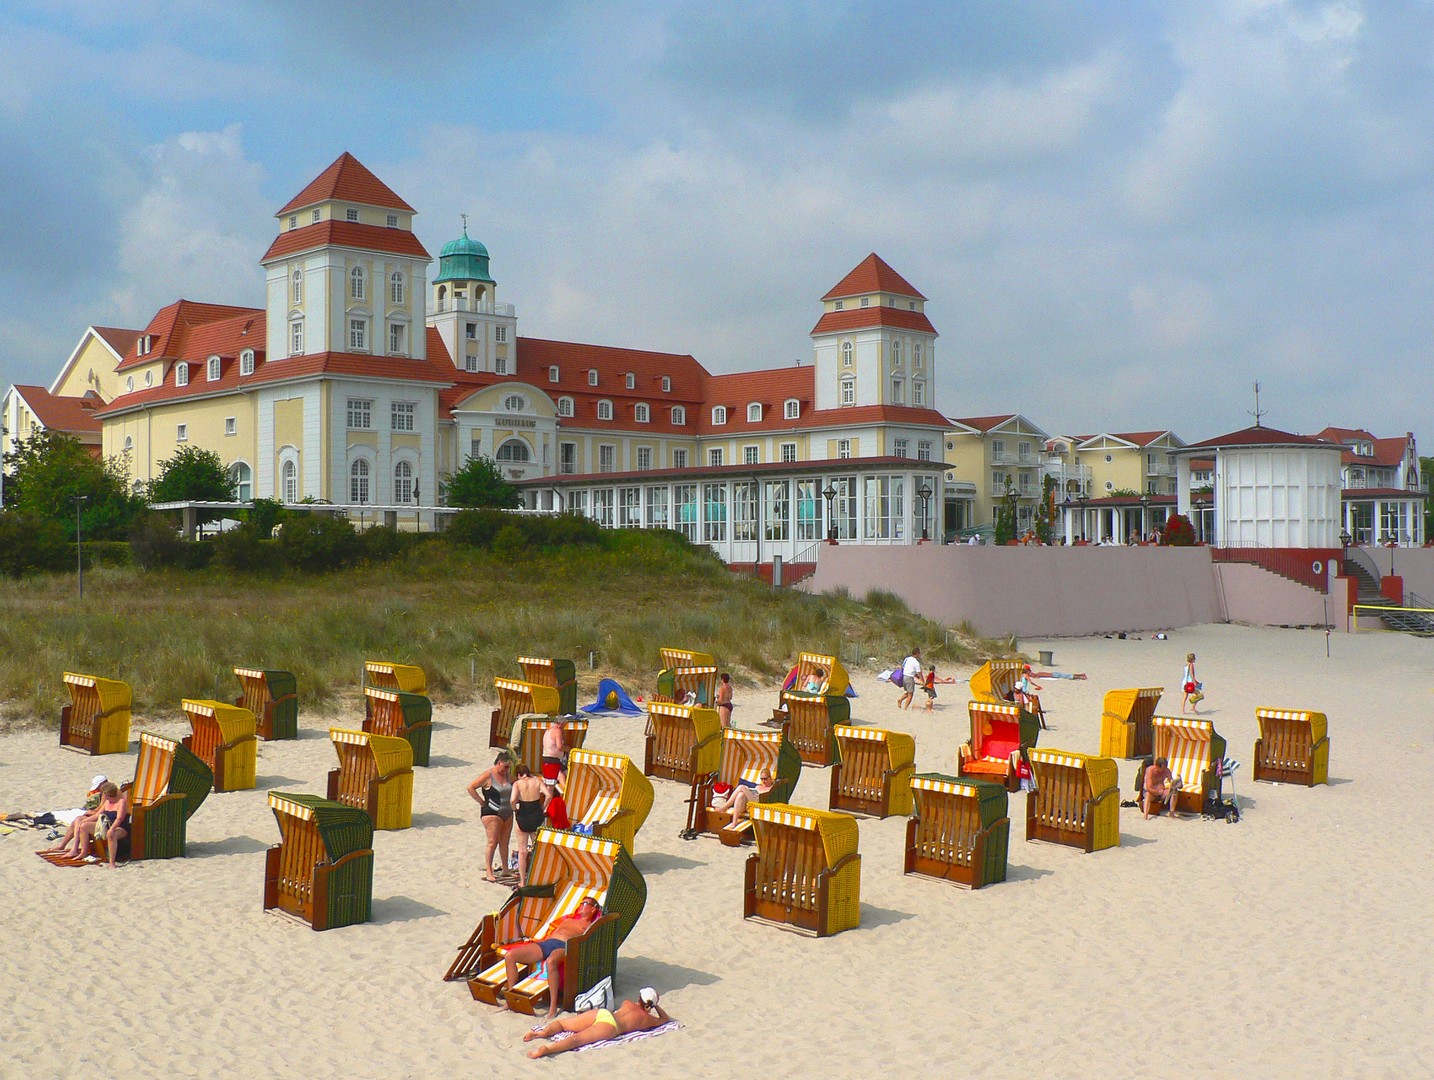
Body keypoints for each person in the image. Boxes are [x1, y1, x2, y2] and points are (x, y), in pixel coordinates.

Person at [503, 896, 605, 1019]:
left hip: (564, 946)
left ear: (593, 909)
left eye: (585, 903)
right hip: (547, 943)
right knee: (510, 956)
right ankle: (510, 999)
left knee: (551, 961)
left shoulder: (590, 926)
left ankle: (552, 1007)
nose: (581, 905)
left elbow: (591, 942)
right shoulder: (568, 919)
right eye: (581, 902)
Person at [523, 988, 672, 1059]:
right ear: (650, 1005)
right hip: (612, 1026)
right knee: (577, 1040)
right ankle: (546, 1049)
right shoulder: (646, 1019)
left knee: (563, 1024)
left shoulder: (627, 1003)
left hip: (603, 1013)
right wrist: (656, 1005)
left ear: (639, 998)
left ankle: (541, 1033)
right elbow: (665, 1019)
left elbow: (637, 1004)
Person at [467, 754, 514, 884]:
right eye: (505, 767)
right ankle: (489, 871)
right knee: (492, 842)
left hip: (508, 812)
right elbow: (470, 787)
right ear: (499, 763)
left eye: (508, 767)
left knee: (505, 842)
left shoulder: (508, 776)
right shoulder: (488, 775)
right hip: (492, 812)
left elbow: (517, 783)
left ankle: (506, 869)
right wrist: (481, 802)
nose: (506, 770)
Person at [38, 774, 108, 858]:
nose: (97, 790)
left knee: (79, 821)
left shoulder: (108, 793)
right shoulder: (105, 792)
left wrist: (92, 813)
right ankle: (63, 845)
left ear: (103, 784)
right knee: (76, 821)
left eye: (98, 787)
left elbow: (104, 811)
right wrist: (92, 811)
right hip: (101, 815)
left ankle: (75, 849)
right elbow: (101, 807)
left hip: (105, 819)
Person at [509, 763, 548, 888]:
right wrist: (543, 807)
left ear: (519, 774)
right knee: (537, 849)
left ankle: (522, 881)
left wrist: (515, 809)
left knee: (522, 851)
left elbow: (512, 800)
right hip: (536, 814)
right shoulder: (537, 781)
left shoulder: (517, 784)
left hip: (524, 815)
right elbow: (549, 794)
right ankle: (538, 877)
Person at [541, 723, 567, 788]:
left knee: (565, 773)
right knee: (561, 776)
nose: (564, 727)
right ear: (561, 723)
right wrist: (568, 749)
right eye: (564, 725)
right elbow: (559, 747)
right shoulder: (557, 730)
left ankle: (566, 791)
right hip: (553, 760)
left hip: (549, 759)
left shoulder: (548, 730)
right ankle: (566, 793)